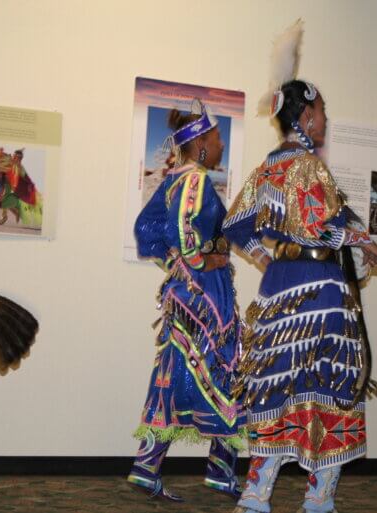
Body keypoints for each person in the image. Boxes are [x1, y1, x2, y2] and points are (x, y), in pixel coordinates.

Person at [223, 21, 377, 513]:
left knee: (276, 385)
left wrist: (266, 256)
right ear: (306, 115)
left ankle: (256, 494)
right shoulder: (311, 165)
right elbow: (323, 225)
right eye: (322, 112)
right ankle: (320, 498)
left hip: (278, 294)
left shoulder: (268, 167)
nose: (325, 120)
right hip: (319, 294)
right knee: (330, 386)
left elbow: (235, 226)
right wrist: (364, 242)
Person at [128, 100, 245, 502]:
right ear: (199, 146)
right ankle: (220, 472)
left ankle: (149, 467)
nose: (222, 145)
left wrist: (175, 264)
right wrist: (201, 260)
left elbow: (146, 228)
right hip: (205, 298)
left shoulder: (174, 179)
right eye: (217, 138)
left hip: (188, 294)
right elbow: (181, 227)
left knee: (176, 374)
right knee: (225, 370)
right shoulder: (194, 178)